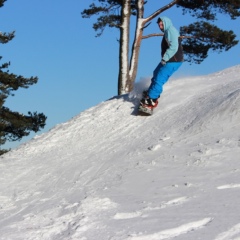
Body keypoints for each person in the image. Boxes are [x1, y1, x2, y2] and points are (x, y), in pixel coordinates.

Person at [140, 16, 184, 109]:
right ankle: (150, 92)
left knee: (159, 78)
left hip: (173, 60)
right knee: (156, 73)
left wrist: (165, 58)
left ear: (166, 23)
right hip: (169, 59)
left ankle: (152, 100)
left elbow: (174, 47)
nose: (160, 26)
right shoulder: (169, 31)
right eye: (159, 25)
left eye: (162, 24)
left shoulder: (170, 31)